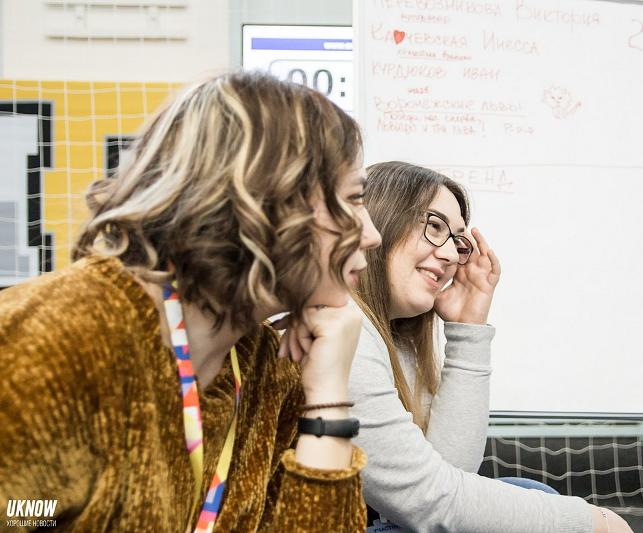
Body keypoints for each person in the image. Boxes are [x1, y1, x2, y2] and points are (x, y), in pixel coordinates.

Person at [0, 71, 381, 532]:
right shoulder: (54, 341)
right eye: (354, 199)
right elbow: (21, 512)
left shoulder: (267, 365)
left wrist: (327, 402)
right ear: (268, 200)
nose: (372, 235)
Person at [349, 161, 632, 532]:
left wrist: (468, 329)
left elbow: (451, 473)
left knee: (529, 492)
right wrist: (590, 523)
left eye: (457, 241)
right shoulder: (348, 332)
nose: (451, 255)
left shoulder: (393, 337)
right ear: (379, 221)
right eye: (435, 226)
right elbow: (429, 502)